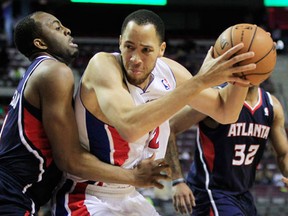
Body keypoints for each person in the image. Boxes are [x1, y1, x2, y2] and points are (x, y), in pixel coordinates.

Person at [52, 9, 258, 216]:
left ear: (161, 50)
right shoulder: (103, 65)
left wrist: (244, 72)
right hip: (87, 196)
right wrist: (200, 81)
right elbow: (130, 126)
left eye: (146, 50)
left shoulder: (168, 72)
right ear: (120, 42)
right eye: (129, 47)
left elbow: (225, 112)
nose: (135, 59)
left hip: (130, 195)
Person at [0, 11, 172, 215]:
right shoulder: (54, 72)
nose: (67, 30)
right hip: (11, 193)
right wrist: (134, 177)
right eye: (57, 27)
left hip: (17, 193)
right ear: (40, 43)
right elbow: (69, 159)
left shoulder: (38, 72)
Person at [166, 84, 288, 215]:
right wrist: (177, 180)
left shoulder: (272, 105)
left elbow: (283, 153)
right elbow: (169, 128)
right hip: (210, 191)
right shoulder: (214, 97)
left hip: (243, 194)